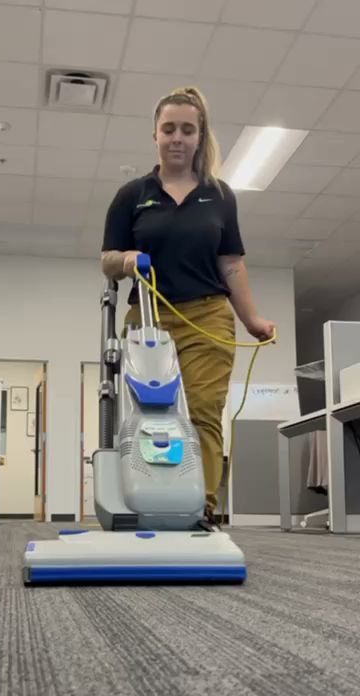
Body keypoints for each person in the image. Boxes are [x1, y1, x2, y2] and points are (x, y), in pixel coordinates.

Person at [101, 85, 276, 527]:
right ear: (155, 135)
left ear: (200, 136)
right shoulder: (132, 194)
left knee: (202, 410)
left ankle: (204, 509)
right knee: (149, 413)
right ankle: (151, 500)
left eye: (187, 129)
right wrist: (124, 259)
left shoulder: (220, 195)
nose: (177, 137)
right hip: (149, 318)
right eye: (168, 129)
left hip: (208, 317)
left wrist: (252, 319)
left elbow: (231, 264)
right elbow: (106, 259)